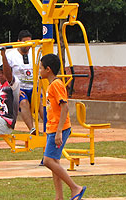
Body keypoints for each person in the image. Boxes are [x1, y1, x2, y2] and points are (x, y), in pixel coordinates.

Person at [39, 54, 86, 200]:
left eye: (40, 68)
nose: (39, 71)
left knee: (47, 161)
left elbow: (65, 108)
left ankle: (75, 188)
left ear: (48, 69)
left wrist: (59, 131)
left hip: (58, 129)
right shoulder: (51, 85)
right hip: (52, 128)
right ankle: (59, 196)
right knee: (54, 162)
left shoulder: (56, 85)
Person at [3, 30, 36, 135]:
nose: (28, 46)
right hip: (20, 87)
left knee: (41, 102)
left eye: (29, 43)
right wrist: (15, 89)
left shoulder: (34, 52)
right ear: (19, 42)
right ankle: (32, 129)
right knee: (23, 103)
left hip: (33, 86)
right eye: (25, 43)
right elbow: (7, 75)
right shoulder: (11, 55)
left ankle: (49, 127)